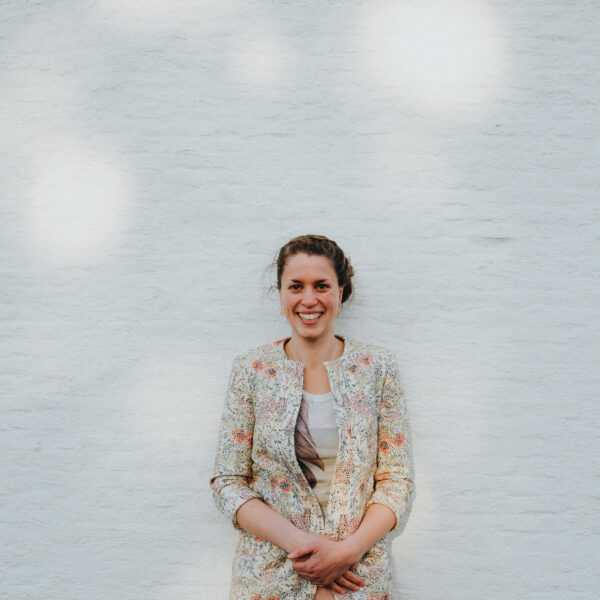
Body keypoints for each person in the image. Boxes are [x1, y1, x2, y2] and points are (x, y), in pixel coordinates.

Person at [210, 234, 416, 600]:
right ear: (281, 295)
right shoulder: (250, 370)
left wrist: (347, 552)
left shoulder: (377, 367)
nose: (309, 299)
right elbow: (228, 481)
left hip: (358, 577)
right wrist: (301, 545)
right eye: (296, 286)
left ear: (340, 293)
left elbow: (396, 479)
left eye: (321, 285)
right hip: (270, 577)